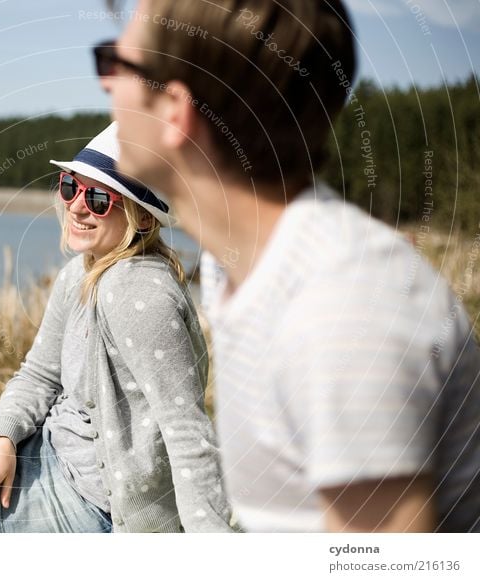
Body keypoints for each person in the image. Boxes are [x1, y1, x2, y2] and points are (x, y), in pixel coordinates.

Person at [95, 0, 480, 532]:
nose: (105, 85)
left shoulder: (340, 313)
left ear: (173, 113)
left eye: (118, 65)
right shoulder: (238, 270)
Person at [0, 122, 232, 533]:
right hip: (49, 442)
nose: (77, 206)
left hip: (88, 500)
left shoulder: (141, 295)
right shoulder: (80, 272)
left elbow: (186, 430)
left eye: (100, 198)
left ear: (141, 218)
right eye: (71, 186)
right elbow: (40, 374)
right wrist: (3, 439)